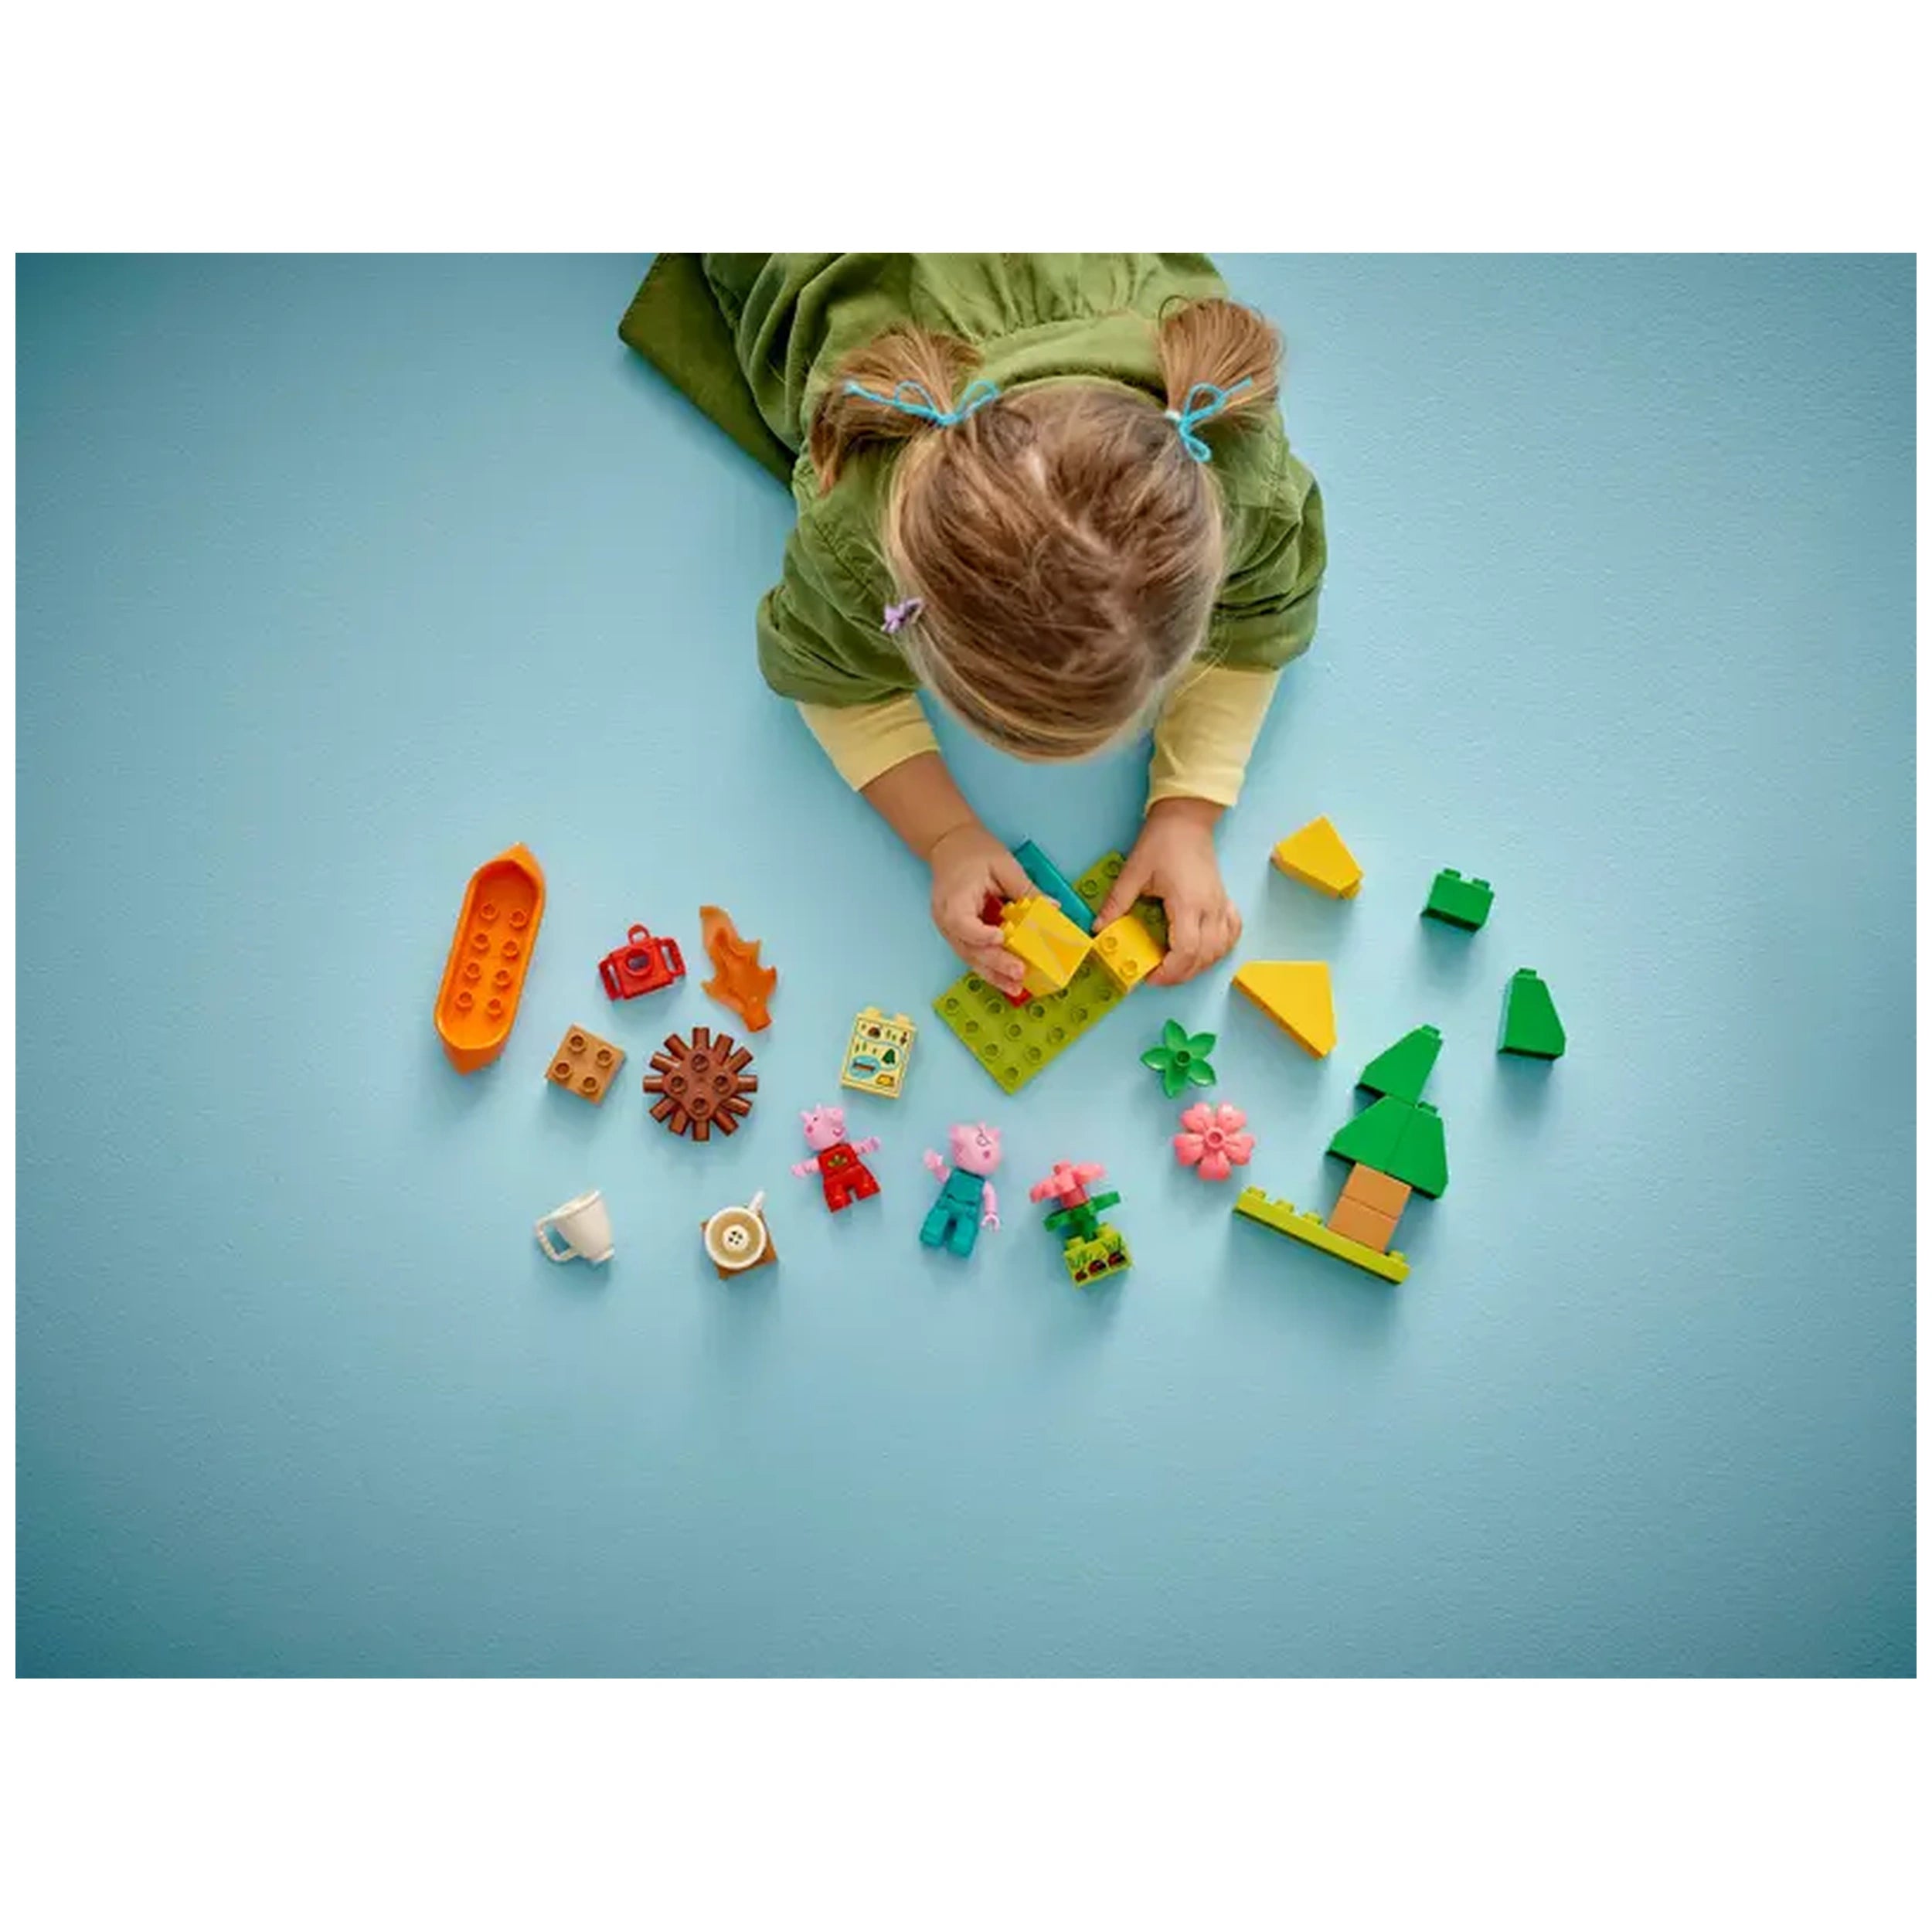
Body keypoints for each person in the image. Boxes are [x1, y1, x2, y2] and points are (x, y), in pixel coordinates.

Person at [620, 254, 1325, 990]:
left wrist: (1188, 813)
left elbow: (1260, 620)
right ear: (906, 617)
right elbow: (830, 681)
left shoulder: (1231, 457)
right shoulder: (861, 534)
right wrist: (946, 835)